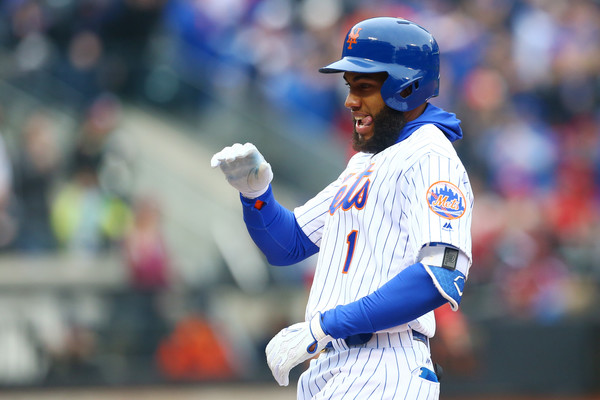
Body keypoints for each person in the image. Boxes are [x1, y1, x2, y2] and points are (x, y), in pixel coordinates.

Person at [212, 17, 473, 400]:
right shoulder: (365, 161)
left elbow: (442, 275)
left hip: (385, 366)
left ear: (408, 87)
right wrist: (256, 195)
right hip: (332, 368)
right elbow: (288, 245)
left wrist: (324, 327)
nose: (350, 100)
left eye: (364, 87)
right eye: (349, 86)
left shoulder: (431, 154)